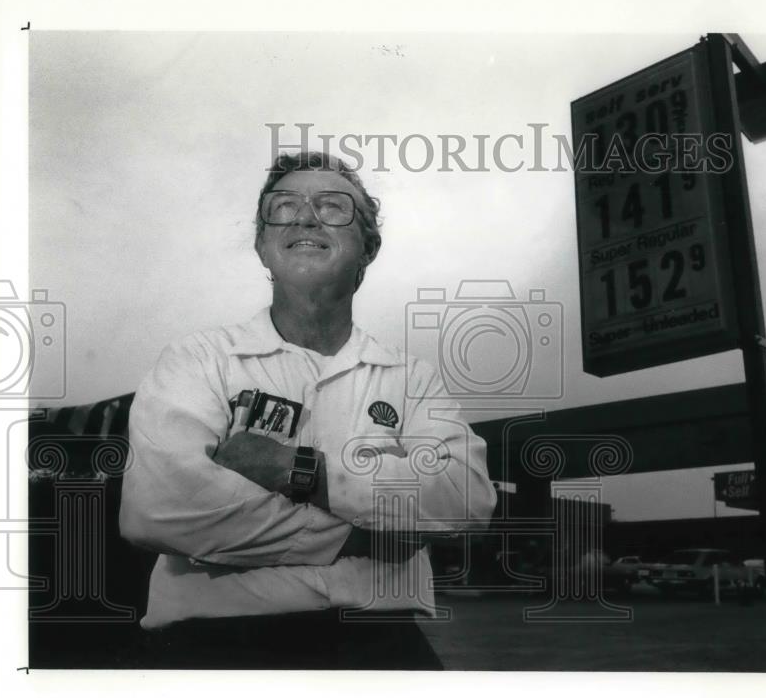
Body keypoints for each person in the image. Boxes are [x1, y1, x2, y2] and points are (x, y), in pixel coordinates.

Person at [119, 151, 496, 669]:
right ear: (261, 244)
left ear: (370, 247)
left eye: (333, 206)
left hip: (384, 647)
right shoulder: (199, 360)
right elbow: (157, 511)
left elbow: (466, 499)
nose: (304, 216)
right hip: (213, 647)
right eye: (283, 206)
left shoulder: (412, 378)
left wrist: (291, 470)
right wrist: (363, 531)